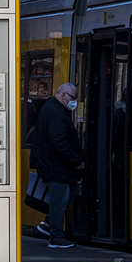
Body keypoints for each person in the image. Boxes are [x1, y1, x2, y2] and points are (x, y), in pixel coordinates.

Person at [31, 82, 86, 248]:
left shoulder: (54, 109)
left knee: (71, 193)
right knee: (60, 199)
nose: (75, 101)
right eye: (73, 97)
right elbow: (59, 141)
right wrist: (76, 161)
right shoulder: (55, 112)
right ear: (64, 96)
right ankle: (55, 236)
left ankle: (48, 224)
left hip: (57, 166)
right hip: (56, 166)